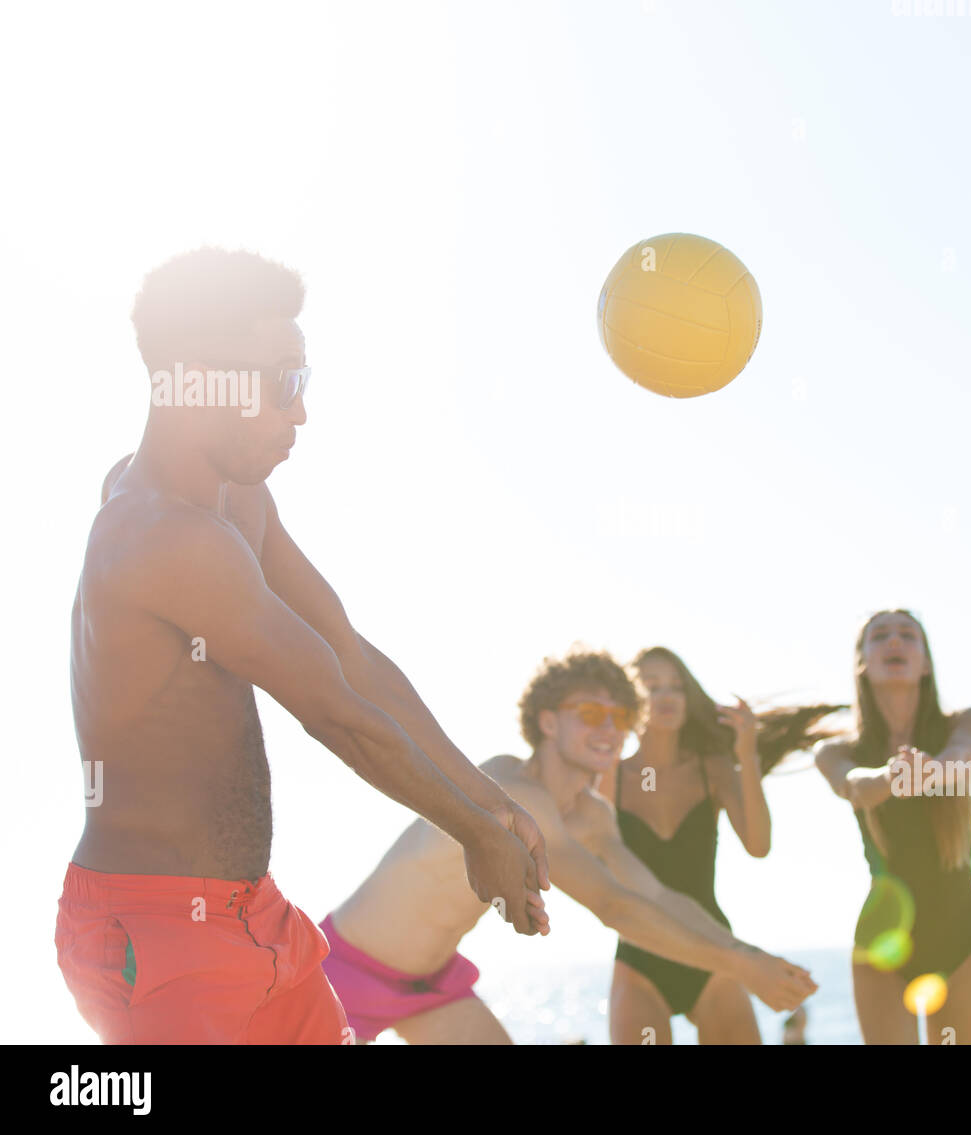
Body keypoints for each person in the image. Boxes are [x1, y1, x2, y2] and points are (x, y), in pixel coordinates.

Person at [56, 248, 549, 1045]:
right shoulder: (161, 538)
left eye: (303, 381)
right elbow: (335, 714)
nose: (301, 412)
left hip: (256, 916)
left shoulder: (239, 501)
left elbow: (349, 656)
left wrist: (489, 803)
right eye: (284, 381)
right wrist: (475, 834)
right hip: (154, 937)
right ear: (194, 378)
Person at [319, 647, 817, 1044]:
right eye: (590, 712)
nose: (608, 727)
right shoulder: (511, 785)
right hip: (342, 975)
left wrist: (745, 952)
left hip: (433, 988)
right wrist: (740, 966)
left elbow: (654, 894)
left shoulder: (592, 816)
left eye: (620, 716)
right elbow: (613, 905)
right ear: (548, 721)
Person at [598, 646, 842, 1044]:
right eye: (652, 686)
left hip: (714, 948)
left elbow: (758, 845)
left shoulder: (711, 768)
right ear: (630, 701)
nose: (666, 697)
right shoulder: (613, 776)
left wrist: (746, 754)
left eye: (676, 687)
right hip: (641, 955)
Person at [815, 610, 971, 1044]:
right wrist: (892, 777)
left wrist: (928, 771)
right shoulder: (837, 750)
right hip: (882, 943)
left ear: (926, 663)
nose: (895, 641)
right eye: (880, 636)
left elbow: (963, 755)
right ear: (863, 663)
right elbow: (853, 787)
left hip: (960, 935)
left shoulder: (961, 722)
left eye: (908, 635)